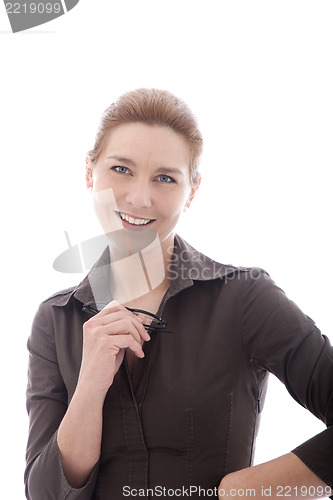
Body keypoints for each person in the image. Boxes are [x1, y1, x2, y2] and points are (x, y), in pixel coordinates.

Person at [25, 88, 333, 500]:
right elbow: (44, 494)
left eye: (165, 178)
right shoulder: (56, 320)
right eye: (121, 169)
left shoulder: (245, 299)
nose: (139, 197)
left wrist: (246, 490)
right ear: (89, 173)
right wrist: (90, 386)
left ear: (192, 190)